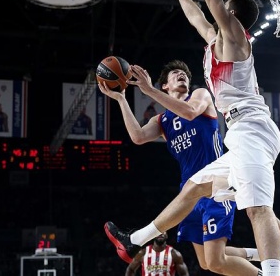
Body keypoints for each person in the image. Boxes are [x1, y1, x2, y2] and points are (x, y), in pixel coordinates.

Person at [105, 0, 280, 274]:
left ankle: (271, 271)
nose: (216, 14)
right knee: (192, 188)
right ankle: (135, 240)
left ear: (231, 15)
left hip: (253, 130)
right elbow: (197, 16)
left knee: (258, 209)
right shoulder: (217, 41)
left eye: (223, 9)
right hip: (241, 134)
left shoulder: (235, 38)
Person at [101, 60, 263, 275]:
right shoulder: (162, 120)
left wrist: (149, 90)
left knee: (216, 261)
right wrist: (121, 99)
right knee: (207, 262)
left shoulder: (200, 95)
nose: (182, 75)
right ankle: (257, 253)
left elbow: (190, 112)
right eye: (176, 73)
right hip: (188, 194)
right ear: (165, 86)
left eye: (185, 74)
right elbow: (138, 137)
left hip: (217, 185)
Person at [125, 231, 190, 276]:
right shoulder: (143, 253)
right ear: (153, 236)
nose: (160, 234)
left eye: (163, 231)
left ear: (166, 235)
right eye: (158, 232)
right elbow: (130, 269)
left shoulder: (175, 254)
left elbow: (184, 274)